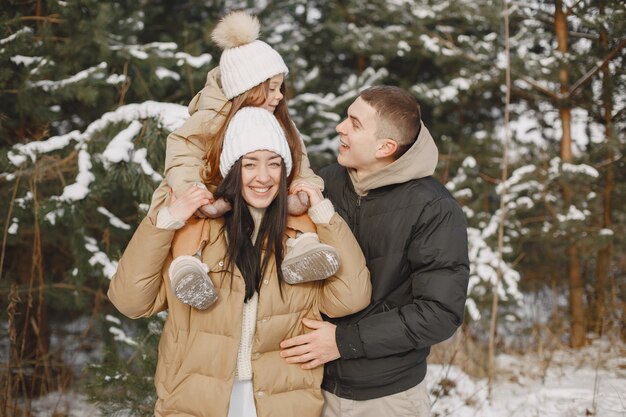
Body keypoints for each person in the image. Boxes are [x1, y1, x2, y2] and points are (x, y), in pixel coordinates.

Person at [108, 106, 372, 417]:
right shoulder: (197, 231)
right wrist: (165, 222)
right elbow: (131, 302)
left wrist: (325, 216)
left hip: (282, 400)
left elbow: (350, 299)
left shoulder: (302, 237)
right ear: (233, 169)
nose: (264, 177)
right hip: (195, 401)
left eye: (275, 164)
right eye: (250, 164)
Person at [279, 86, 470, 417]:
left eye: (354, 123)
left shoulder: (433, 208)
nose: (341, 127)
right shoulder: (327, 182)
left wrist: (344, 341)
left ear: (385, 147)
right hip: (313, 387)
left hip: (386, 398)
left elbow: (440, 313)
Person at [148, 11, 340, 309]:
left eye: (280, 88)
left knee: (297, 198)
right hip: (216, 197)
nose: (279, 97)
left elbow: (300, 164)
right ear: (247, 89)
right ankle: (188, 266)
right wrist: (197, 195)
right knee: (192, 215)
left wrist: (302, 190)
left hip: (261, 196)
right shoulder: (211, 118)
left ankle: (303, 248)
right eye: (271, 88)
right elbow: (183, 155)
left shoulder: (279, 122)